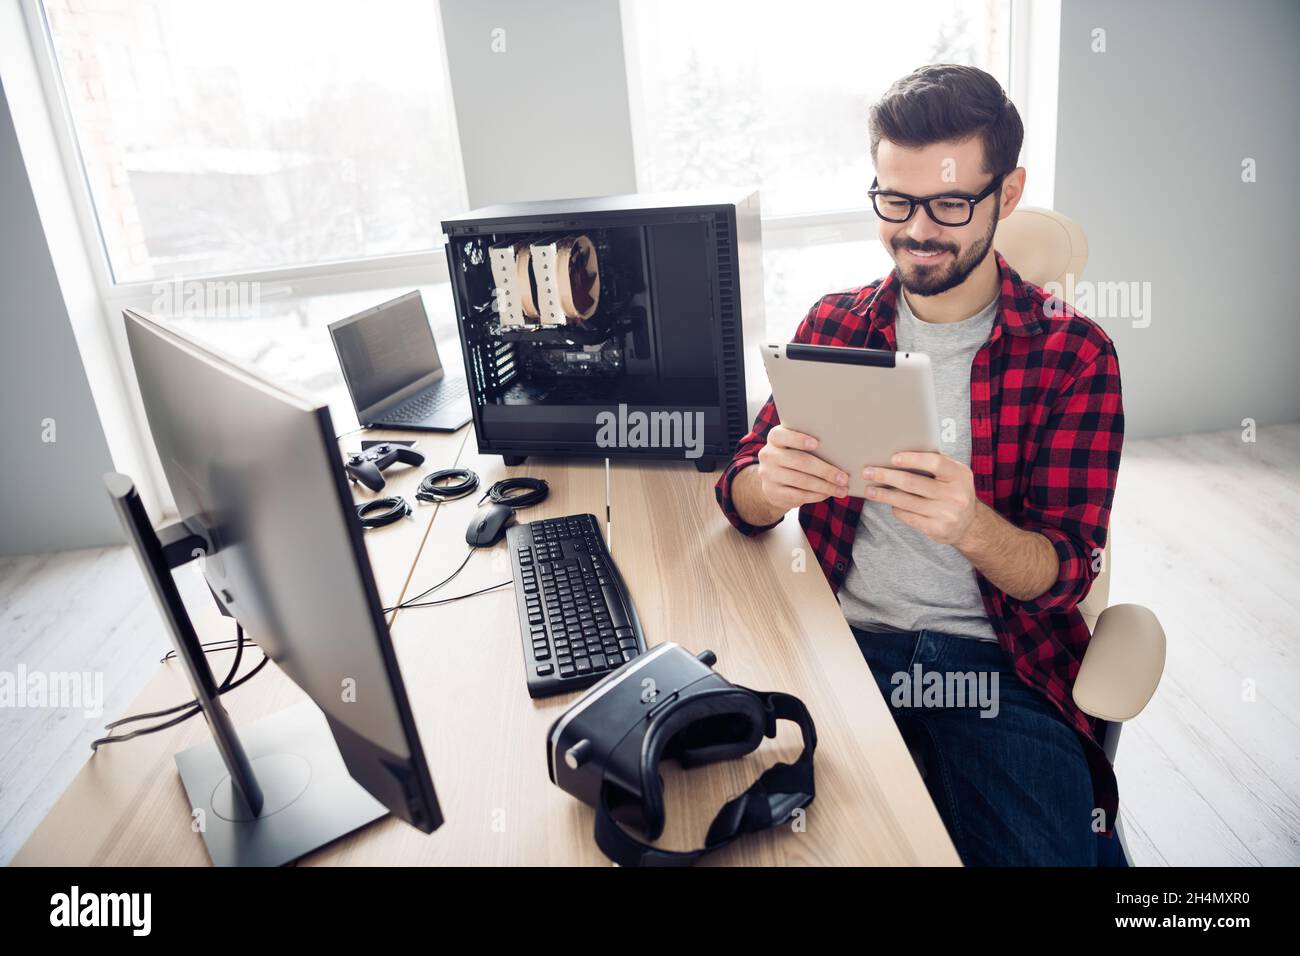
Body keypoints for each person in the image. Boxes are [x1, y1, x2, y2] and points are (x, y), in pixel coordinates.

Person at [714, 64, 1124, 866]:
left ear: (1006, 195)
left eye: (949, 204)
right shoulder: (834, 324)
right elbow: (738, 491)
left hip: (999, 666)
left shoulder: (1075, 356)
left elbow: (1070, 570)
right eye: (895, 202)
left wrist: (974, 529)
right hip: (844, 650)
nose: (917, 230)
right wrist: (769, 483)